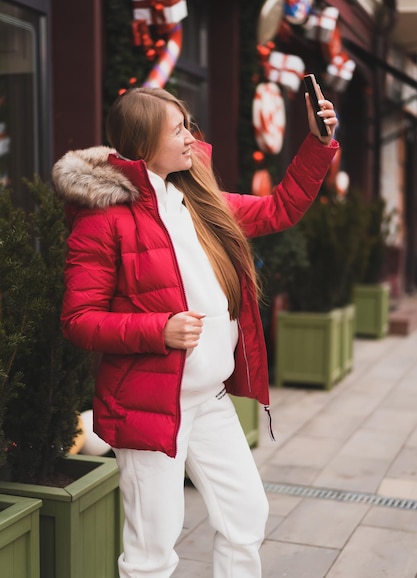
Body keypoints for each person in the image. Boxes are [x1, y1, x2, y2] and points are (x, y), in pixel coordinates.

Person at [52, 86, 338, 578]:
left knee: (247, 517)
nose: (191, 136)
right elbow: (79, 319)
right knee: (153, 550)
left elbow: (279, 209)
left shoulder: (198, 200)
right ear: (144, 144)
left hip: (209, 402)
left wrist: (316, 144)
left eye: (187, 124)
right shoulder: (103, 222)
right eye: (178, 128)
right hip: (149, 406)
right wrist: (157, 330)